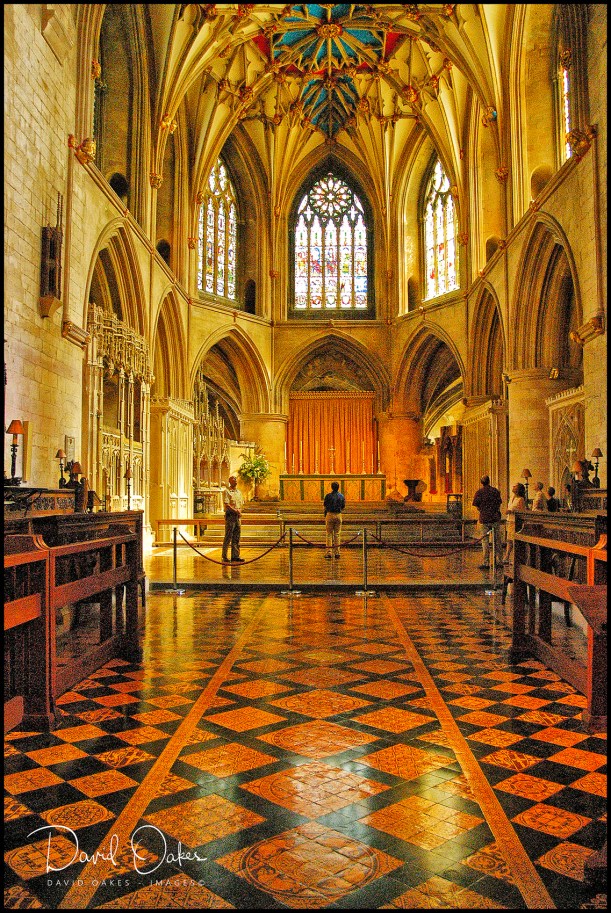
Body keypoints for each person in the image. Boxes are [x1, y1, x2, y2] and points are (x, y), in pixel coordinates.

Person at [472, 475, 503, 570]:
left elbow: (476, 505)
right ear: (489, 481)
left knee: (485, 541)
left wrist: (482, 509)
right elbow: (499, 503)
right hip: (495, 518)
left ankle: (486, 563)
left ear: (482, 482)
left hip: (484, 518)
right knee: (497, 540)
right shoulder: (495, 491)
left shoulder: (479, 492)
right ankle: (499, 561)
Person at [222, 475, 245, 564]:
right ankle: (224, 556)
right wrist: (236, 511)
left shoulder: (239, 492)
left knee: (236, 536)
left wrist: (240, 511)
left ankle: (235, 556)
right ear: (230, 482)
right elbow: (227, 504)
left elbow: (241, 503)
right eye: (233, 480)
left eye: (235, 480)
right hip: (230, 516)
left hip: (237, 517)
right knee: (228, 536)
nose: (235, 481)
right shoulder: (227, 491)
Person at [504, 482, 527, 563]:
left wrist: (512, 511)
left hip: (515, 522)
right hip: (509, 520)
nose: (513, 486)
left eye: (515, 486)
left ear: (518, 489)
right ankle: (507, 556)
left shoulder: (521, 499)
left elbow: (522, 511)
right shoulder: (512, 497)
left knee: (514, 540)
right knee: (509, 540)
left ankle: (514, 558)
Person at [323, 481, 345, 559]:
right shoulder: (341, 496)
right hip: (338, 514)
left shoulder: (328, 496)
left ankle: (329, 552)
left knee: (329, 534)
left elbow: (325, 505)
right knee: (337, 534)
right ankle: (337, 552)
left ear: (332, 487)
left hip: (330, 514)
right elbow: (343, 506)